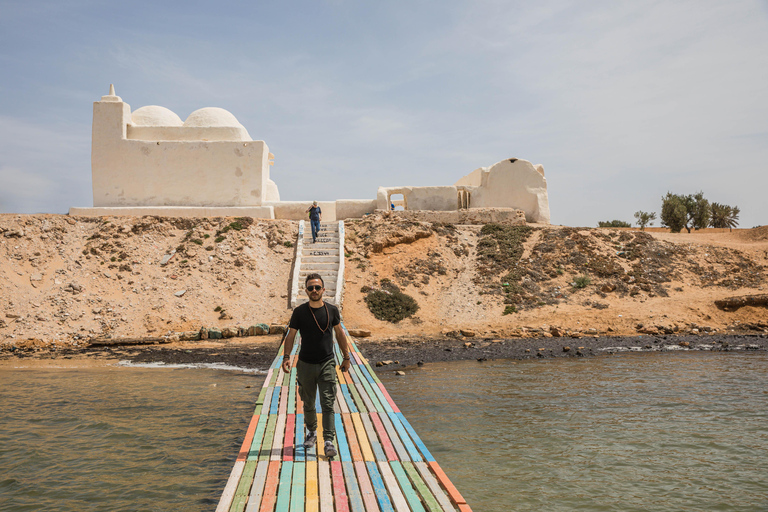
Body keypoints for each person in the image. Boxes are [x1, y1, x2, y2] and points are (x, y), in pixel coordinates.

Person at [282, 273, 350, 458]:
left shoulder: (332, 310)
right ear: (306, 291)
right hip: (305, 364)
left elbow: (340, 334)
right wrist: (286, 356)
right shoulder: (299, 312)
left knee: (328, 403)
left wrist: (346, 357)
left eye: (317, 287)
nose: (314, 290)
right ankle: (311, 432)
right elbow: (291, 335)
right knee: (308, 402)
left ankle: (328, 441)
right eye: (310, 287)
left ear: (323, 290)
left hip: (327, 362)